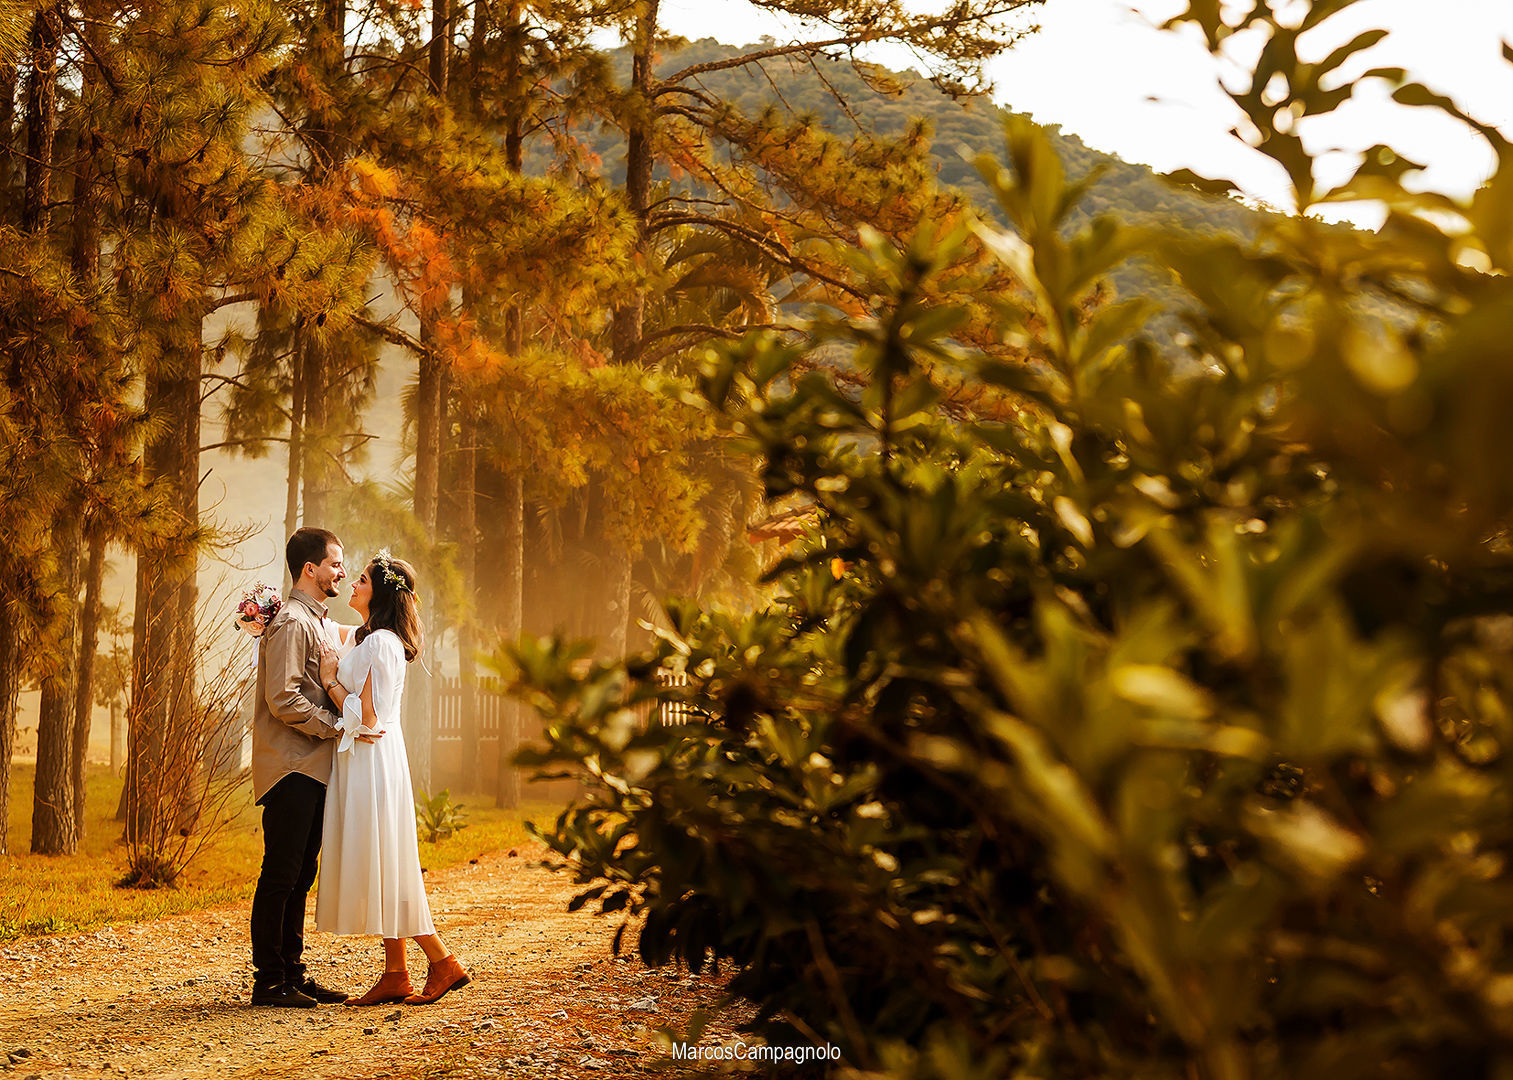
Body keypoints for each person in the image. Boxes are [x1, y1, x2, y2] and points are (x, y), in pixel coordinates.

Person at [315, 550, 471, 1006]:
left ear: (379, 592)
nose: (354, 583)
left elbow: (369, 717)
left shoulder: (382, 643)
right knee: (384, 861)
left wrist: (329, 682)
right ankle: (396, 972)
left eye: (361, 579)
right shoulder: (369, 639)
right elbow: (330, 634)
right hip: (366, 760)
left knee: (388, 859)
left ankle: (442, 961)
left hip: (373, 761)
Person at [248, 527, 369, 1008]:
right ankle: (269, 981)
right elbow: (282, 699)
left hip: (313, 768)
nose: (341, 571)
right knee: (281, 873)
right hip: (291, 767)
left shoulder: (315, 620)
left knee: (301, 874)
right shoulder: (293, 623)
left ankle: (291, 973)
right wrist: (337, 727)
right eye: (336, 563)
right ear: (310, 569)